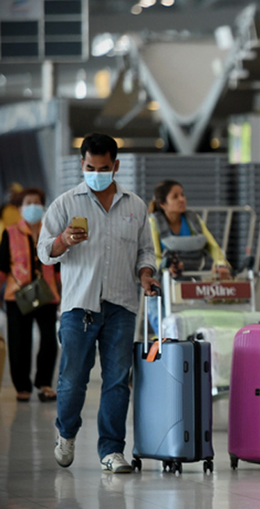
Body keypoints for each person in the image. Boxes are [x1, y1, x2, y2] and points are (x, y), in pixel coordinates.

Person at [38, 133, 158, 474]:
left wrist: (146, 275)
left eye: (103, 168)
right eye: (90, 168)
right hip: (79, 305)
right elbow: (44, 251)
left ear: (115, 166)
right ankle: (66, 432)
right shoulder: (65, 204)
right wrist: (63, 241)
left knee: (118, 380)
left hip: (122, 304)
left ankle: (111, 450)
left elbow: (145, 252)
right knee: (73, 379)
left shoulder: (135, 206)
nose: (96, 174)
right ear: (82, 164)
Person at [0, 187, 60, 403]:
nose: (33, 206)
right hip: (17, 296)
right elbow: (3, 266)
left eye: (37, 202)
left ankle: (44, 383)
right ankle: (22, 387)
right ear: (19, 208)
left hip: (47, 294)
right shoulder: (10, 232)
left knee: (49, 340)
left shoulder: (51, 232)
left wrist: (65, 292)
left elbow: (58, 267)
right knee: (19, 342)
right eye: (28, 203)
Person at [147, 179, 232, 330]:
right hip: (161, 285)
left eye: (183, 195)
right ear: (163, 204)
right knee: (167, 329)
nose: (182, 199)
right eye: (175, 196)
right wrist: (167, 267)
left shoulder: (193, 220)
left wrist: (220, 264)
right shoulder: (153, 223)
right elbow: (153, 256)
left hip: (191, 283)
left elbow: (212, 246)